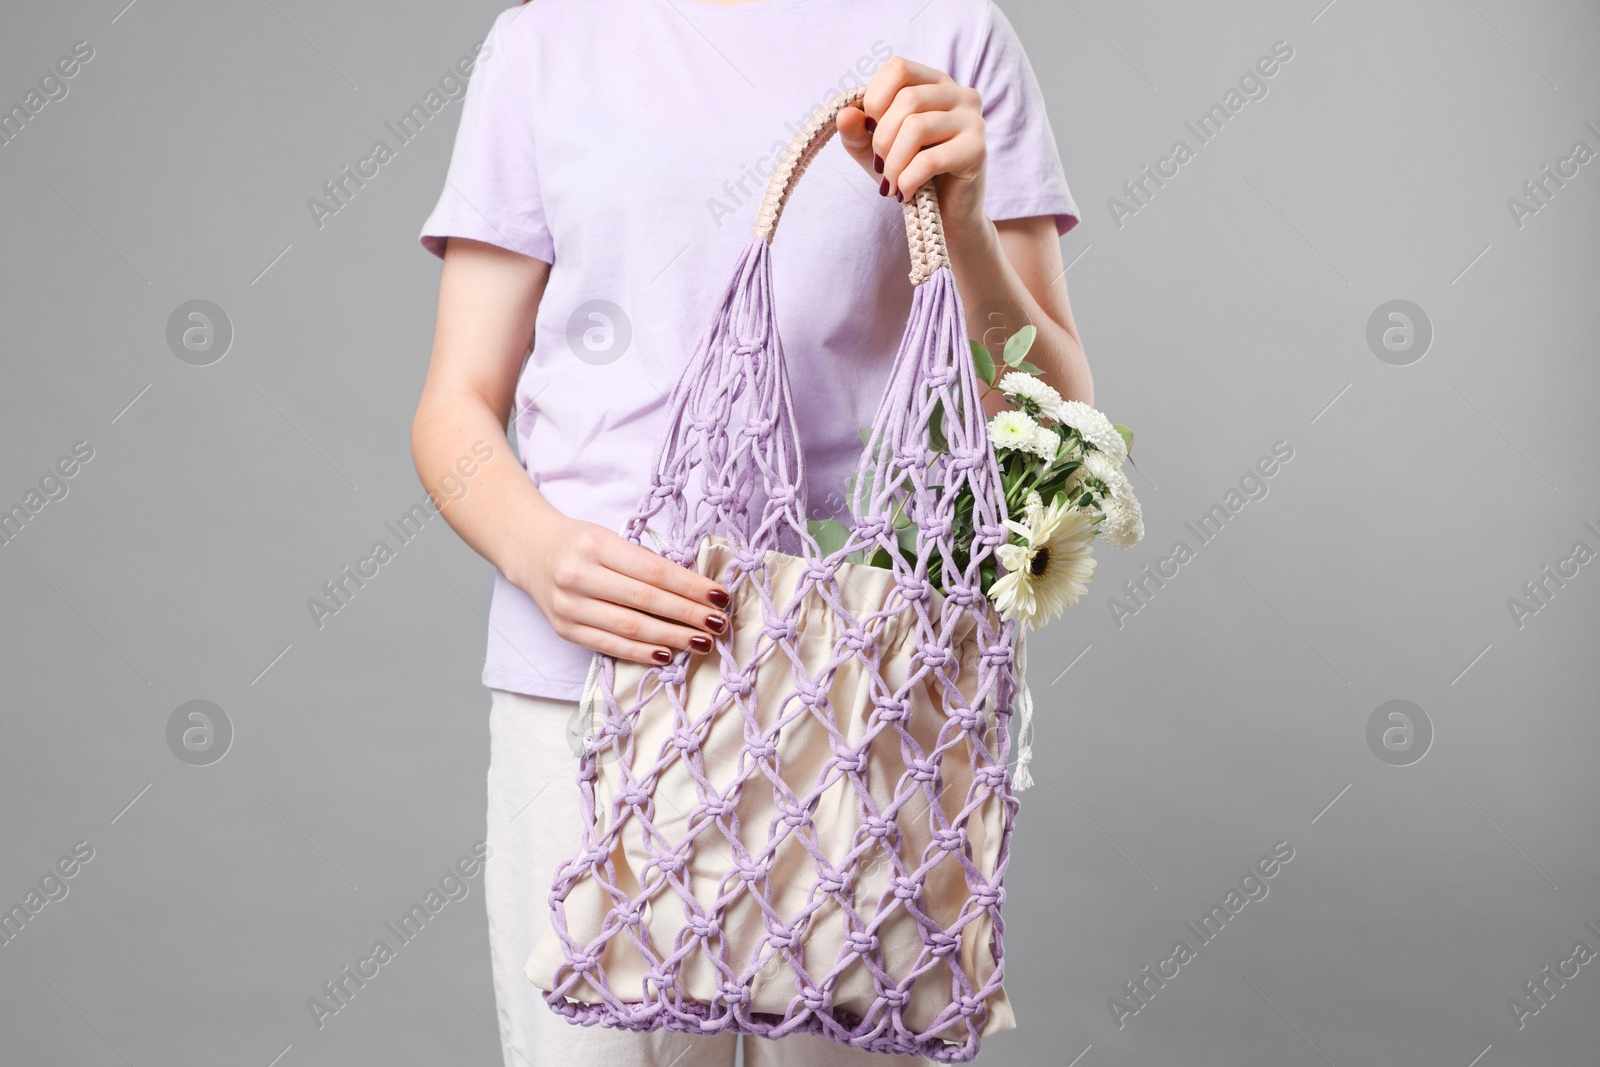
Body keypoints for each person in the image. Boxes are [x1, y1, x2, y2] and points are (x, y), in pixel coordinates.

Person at [411, 1, 1090, 1063]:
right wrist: (538, 552)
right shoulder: (547, 43)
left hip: (863, 694)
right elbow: (454, 403)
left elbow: (1053, 416)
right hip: (591, 692)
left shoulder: (951, 37)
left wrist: (961, 220)